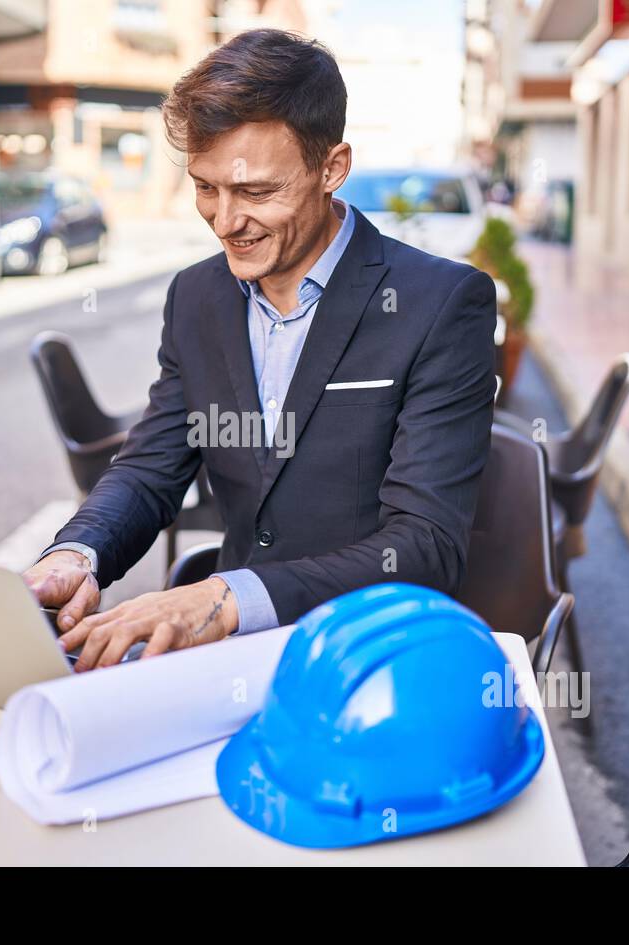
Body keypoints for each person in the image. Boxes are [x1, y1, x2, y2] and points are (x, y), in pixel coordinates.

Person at [25, 29, 496, 670]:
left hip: (370, 659)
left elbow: (427, 544)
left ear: (332, 168)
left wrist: (225, 599)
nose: (224, 222)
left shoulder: (440, 303)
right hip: (228, 659)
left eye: (255, 193)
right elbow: (150, 468)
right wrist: (77, 555)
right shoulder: (196, 297)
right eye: (205, 188)